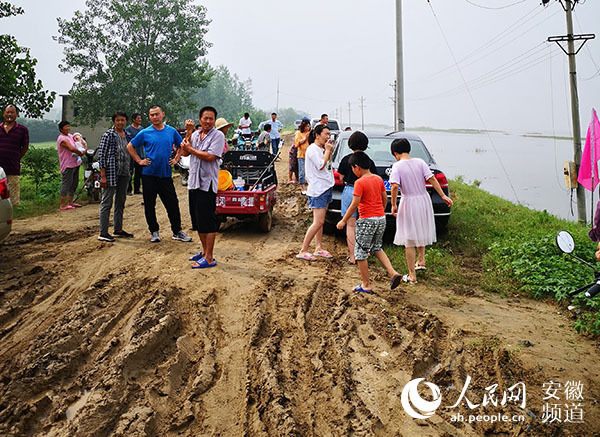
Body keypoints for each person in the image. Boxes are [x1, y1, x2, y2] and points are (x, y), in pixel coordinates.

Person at [337, 151, 403, 293]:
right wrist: (380, 210)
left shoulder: (359, 182)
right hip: (380, 218)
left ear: (357, 167)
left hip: (366, 219)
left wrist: (343, 220)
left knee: (360, 253)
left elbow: (354, 204)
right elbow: (384, 198)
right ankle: (393, 273)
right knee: (377, 247)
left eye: (353, 169)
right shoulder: (378, 179)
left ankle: (366, 284)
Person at [389, 138, 453, 283]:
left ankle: (412, 275)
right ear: (409, 150)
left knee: (409, 238)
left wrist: (393, 204)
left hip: (409, 200)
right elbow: (432, 179)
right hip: (424, 200)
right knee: (420, 228)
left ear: (395, 153)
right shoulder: (420, 162)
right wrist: (443, 195)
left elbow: (394, 186)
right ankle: (421, 260)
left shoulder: (397, 166)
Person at [127, 105, 192, 243]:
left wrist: (176, 158)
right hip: (149, 174)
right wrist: (139, 161)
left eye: (157, 114)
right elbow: (130, 146)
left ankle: (177, 231)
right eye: (152, 115)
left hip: (165, 175)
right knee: (150, 205)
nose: (155, 117)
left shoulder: (171, 131)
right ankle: (154, 232)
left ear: (163, 114)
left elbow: (182, 145)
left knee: (172, 204)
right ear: (149, 117)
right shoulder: (145, 132)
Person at [182, 106, 226, 269]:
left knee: (207, 221)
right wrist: (188, 132)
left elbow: (209, 156)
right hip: (194, 182)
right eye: (205, 118)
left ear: (214, 121)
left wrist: (191, 149)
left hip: (207, 184)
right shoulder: (194, 135)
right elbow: (184, 153)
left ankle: (209, 257)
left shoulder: (218, 136)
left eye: (211, 119)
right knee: (197, 220)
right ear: (200, 119)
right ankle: (204, 251)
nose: (208, 121)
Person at [337, 131, 378, 265]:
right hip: (366, 192)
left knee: (351, 225)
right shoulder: (369, 161)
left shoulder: (346, 159)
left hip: (349, 190)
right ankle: (364, 252)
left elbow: (341, 177)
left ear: (350, 144)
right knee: (365, 224)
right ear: (366, 145)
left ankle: (352, 256)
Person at [296, 124, 335, 261]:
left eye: (329, 134)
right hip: (318, 190)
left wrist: (328, 151)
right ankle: (303, 249)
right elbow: (320, 165)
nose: (328, 137)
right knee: (318, 222)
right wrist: (327, 151)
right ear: (317, 135)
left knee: (320, 222)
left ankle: (318, 247)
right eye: (326, 134)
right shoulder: (312, 149)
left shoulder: (321, 148)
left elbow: (328, 166)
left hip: (325, 187)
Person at [96, 111, 134, 242]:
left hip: (124, 173)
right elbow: (101, 155)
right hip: (111, 173)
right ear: (114, 121)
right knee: (107, 202)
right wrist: (103, 176)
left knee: (120, 201)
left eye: (122, 120)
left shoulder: (127, 135)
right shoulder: (108, 135)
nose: (120, 123)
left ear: (126, 121)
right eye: (118, 120)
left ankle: (118, 229)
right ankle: (103, 231)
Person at [0, 104, 29, 206]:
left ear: (16, 115)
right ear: (4, 114)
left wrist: (17, 158)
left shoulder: (22, 130)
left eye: (12, 112)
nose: (9, 115)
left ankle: (15, 214)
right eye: (7, 112)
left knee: (13, 196)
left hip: (13, 167)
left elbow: (25, 147)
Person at [57, 121, 85, 210]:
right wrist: (81, 153)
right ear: (61, 129)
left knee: (74, 183)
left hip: (75, 163)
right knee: (66, 184)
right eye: (66, 127)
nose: (68, 128)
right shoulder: (62, 139)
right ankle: (62, 205)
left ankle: (71, 202)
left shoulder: (70, 136)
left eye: (69, 126)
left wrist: (84, 148)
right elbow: (71, 148)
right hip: (67, 164)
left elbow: (78, 141)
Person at [125, 112, 144, 194]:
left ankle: (137, 189)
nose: (140, 120)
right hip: (131, 155)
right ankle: (128, 190)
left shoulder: (142, 129)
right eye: (138, 118)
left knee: (138, 173)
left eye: (140, 118)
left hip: (140, 154)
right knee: (130, 172)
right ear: (133, 120)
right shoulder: (128, 129)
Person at [295, 118, 311, 193]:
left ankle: (308, 186)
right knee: (302, 172)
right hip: (301, 155)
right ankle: (302, 187)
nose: (308, 128)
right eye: (306, 126)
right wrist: (305, 138)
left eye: (309, 126)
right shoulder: (298, 133)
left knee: (309, 171)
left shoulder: (311, 133)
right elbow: (297, 144)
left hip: (310, 155)